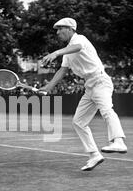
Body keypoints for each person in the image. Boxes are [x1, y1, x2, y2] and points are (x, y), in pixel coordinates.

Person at [40, 17, 127, 171]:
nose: (58, 32)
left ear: (70, 29)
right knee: (78, 122)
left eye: (61, 29)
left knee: (107, 110)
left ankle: (118, 141)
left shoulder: (80, 39)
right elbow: (62, 71)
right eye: (57, 30)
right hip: (89, 86)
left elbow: (78, 47)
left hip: (100, 81)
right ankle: (94, 155)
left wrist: (55, 53)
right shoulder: (67, 52)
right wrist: (48, 87)